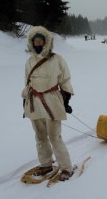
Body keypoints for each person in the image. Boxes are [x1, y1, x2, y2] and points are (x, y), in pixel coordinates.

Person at [22, 26, 74, 181]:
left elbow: (65, 80)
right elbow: (27, 82)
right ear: (32, 42)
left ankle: (66, 167)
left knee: (54, 137)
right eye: (35, 41)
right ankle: (46, 164)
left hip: (52, 102)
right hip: (34, 103)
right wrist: (25, 100)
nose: (38, 43)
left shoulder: (57, 59)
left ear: (46, 42)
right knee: (40, 136)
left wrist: (66, 99)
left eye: (40, 40)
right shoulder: (29, 61)